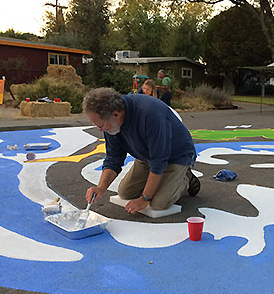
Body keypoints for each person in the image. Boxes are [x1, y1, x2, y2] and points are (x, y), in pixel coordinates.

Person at [82, 87, 200, 215]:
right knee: (125, 193)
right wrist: (100, 188)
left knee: (159, 203)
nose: (100, 130)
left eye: (100, 125)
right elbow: (113, 159)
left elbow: (159, 161)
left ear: (116, 114)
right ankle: (165, 181)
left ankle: (185, 178)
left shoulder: (150, 113)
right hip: (147, 156)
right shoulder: (110, 122)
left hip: (176, 155)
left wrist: (144, 198)